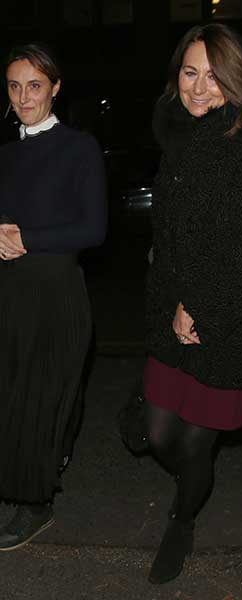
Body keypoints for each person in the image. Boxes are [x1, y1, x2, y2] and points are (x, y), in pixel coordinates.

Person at [144, 23, 242, 584]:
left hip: (229, 322)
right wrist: (171, 304)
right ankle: (188, 482)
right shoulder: (177, 140)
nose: (200, 88)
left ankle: (182, 520)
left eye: (213, 75)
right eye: (190, 72)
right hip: (172, 314)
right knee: (159, 434)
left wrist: (201, 309)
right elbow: (168, 238)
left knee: (193, 441)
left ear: (237, 81)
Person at [0, 43, 107, 550]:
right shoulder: (5, 155)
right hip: (9, 293)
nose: (24, 97)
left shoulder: (79, 148)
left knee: (42, 400)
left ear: (55, 88)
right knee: (10, 398)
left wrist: (27, 238)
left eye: (35, 85)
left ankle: (35, 501)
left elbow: (93, 229)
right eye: (14, 86)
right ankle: (17, 482)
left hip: (57, 293)